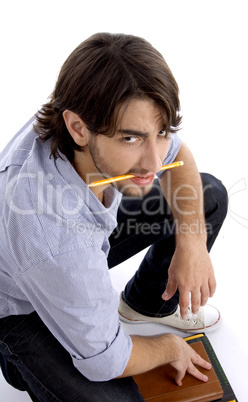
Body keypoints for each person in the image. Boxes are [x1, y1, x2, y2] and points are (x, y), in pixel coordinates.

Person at [0, 33, 228, 401]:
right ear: (77, 128)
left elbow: (178, 155)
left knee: (207, 198)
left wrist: (192, 243)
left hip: (73, 242)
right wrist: (168, 348)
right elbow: (106, 362)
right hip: (18, 306)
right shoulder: (52, 237)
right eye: (131, 139)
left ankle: (144, 306)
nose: (155, 161)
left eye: (160, 131)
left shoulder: (91, 121)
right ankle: (18, 360)